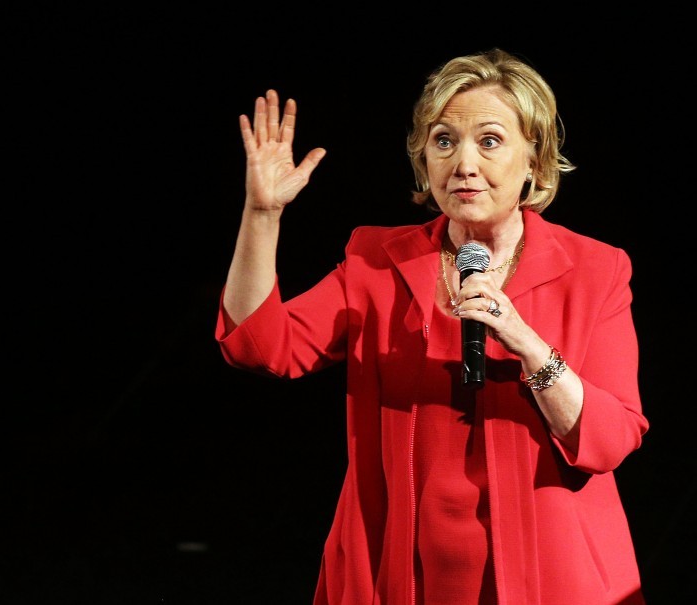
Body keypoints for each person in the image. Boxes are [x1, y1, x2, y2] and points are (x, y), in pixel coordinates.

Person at [214, 48, 649, 605]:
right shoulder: (377, 261)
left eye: (489, 141)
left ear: (534, 157)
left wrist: (526, 342)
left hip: (548, 575)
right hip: (397, 574)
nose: (463, 163)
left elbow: (610, 441)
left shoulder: (595, 270)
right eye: (444, 140)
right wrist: (262, 215)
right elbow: (258, 345)